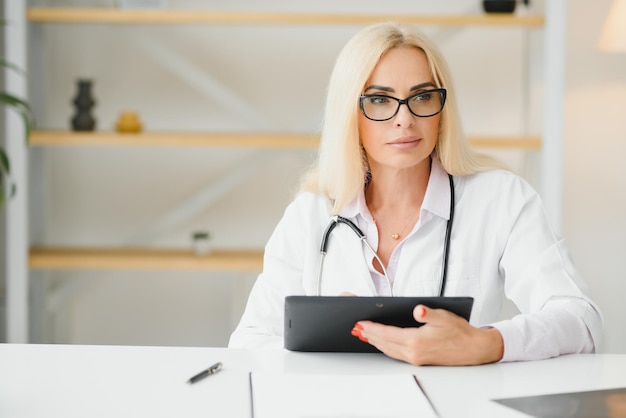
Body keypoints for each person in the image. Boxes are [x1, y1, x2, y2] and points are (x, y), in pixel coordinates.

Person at [228, 22, 603, 365]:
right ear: (350, 112)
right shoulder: (310, 213)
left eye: (422, 97)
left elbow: (580, 319)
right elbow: (249, 342)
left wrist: (488, 343)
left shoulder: (501, 199)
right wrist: (326, 340)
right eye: (379, 99)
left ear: (442, 108)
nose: (404, 118)